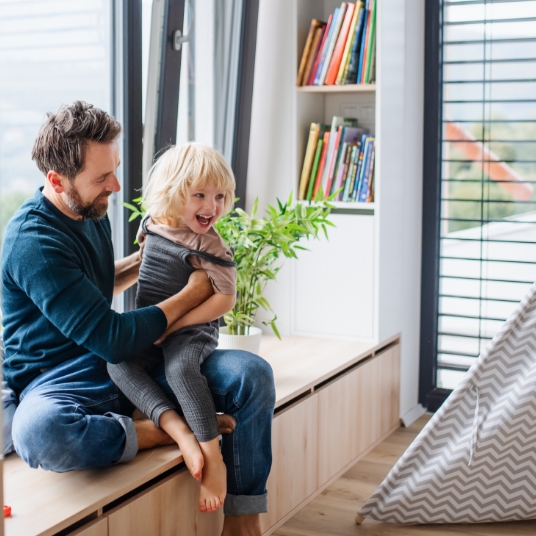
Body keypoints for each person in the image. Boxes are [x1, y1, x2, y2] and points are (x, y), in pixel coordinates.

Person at [0, 101, 275, 536]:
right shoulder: (33, 242)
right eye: (102, 178)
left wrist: (149, 261)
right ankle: (163, 431)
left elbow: (98, 286)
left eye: (114, 168)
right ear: (56, 181)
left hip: (125, 361)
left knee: (251, 374)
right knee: (37, 433)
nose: (115, 183)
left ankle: (243, 519)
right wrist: (191, 292)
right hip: (59, 378)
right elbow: (113, 339)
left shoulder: (88, 208)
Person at [107, 142, 237, 513]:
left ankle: (213, 460)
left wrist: (177, 323)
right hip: (153, 324)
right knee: (115, 360)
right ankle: (177, 430)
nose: (211, 207)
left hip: (192, 330)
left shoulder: (210, 245)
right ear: (172, 192)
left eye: (220, 196)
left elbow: (225, 299)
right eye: (199, 195)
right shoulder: (153, 225)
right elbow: (142, 269)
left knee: (180, 369)